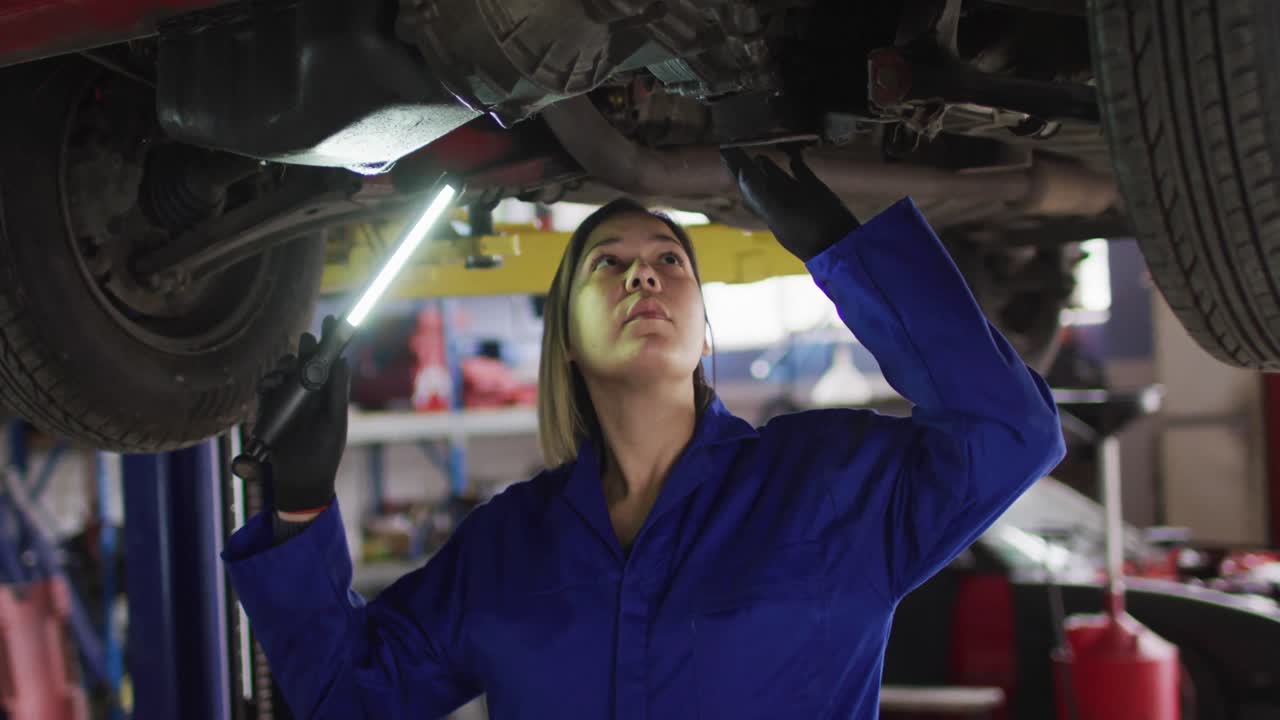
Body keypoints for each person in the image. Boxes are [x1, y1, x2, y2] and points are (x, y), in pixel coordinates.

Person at [223, 148, 1065, 719]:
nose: (643, 274)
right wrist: (299, 507)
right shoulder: (507, 548)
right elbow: (348, 697)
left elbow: (1009, 429)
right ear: (567, 337)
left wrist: (842, 246)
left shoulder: (824, 485)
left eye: (670, 260)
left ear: (704, 331)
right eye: (607, 263)